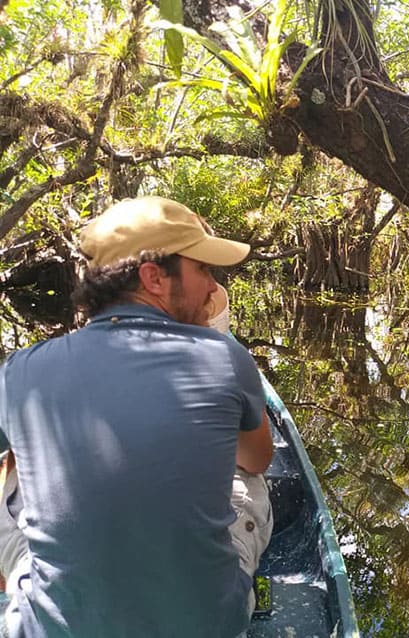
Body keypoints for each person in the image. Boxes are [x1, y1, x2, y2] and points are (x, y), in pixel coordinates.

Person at [0, 196, 274, 638]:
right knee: (252, 480)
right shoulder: (225, 357)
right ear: (153, 278)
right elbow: (258, 460)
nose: (211, 287)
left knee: (10, 474)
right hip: (206, 626)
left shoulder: (18, 372)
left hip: (51, 629)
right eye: (202, 269)